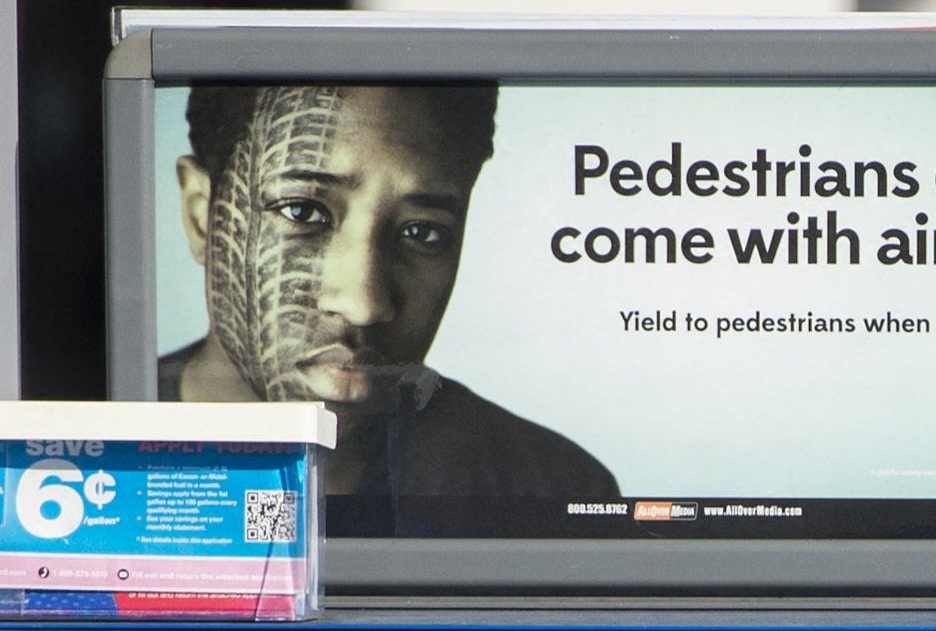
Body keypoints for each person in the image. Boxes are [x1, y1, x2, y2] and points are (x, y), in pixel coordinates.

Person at [163, 81, 616, 528]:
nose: (364, 304)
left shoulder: (551, 493)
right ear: (201, 216)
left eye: (422, 233)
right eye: (302, 212)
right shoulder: (99, 451)